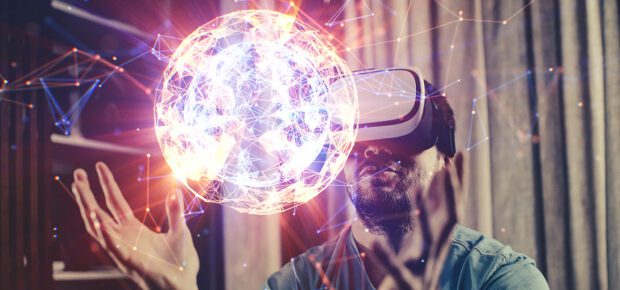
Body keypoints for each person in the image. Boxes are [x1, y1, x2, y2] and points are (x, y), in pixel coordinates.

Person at [71, 82, 549, 290]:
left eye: (401, 135)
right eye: (358, 139)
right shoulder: (297, 281)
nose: (375, 150)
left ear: (447, 161)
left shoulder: (499, 279)